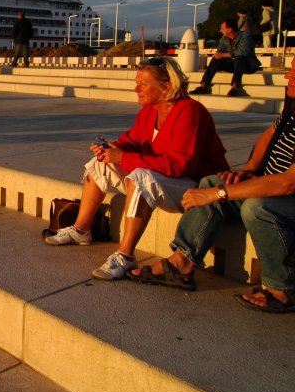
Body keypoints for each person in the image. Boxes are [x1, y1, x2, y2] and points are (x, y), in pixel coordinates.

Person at [129, 57, 295, 312]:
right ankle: (181, 263)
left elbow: (286, 184)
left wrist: (218, 194)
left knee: (256, 208)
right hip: (271, 184)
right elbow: (269, 136)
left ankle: (281, 289)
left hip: (284, 195)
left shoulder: (190, 110)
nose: (288, 76)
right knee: (209, 181)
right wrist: (250, 171)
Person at [45, 57, 229, 280]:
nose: (136, 89)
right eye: (136, 82)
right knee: (102, 163)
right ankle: (81, 230)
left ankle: (125, 254)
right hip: (166, 179)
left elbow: (180, 164)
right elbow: (133, 140)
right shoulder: (150, 110)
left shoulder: (190, 111)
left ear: (166, 86)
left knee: (141, 176)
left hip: (196, 187)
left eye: (143, 84)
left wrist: (124, 157)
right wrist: (112, 148)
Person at [190, 17, 261, 97]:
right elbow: (219, 51)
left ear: (230, 29)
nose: (220, 31)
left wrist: (223, 55)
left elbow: (242, 52)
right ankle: (204, 85)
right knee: (216, 59)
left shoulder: (245, 36)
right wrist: (218, 55)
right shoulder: (224, 38)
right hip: (235, 65)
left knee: (239, 57)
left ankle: (235, 87)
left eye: (222, 29)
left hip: (248, 65)